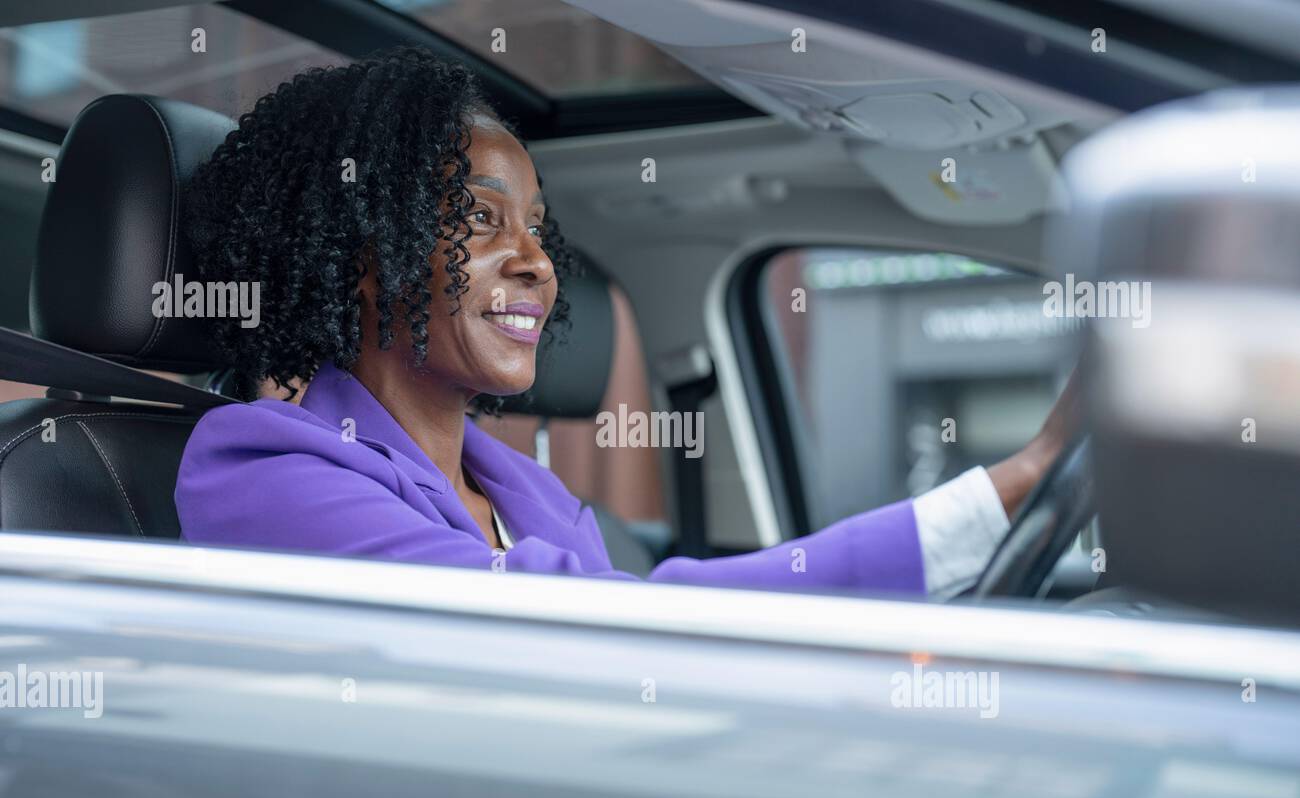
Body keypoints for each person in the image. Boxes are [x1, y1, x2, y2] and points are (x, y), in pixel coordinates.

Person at [176, 48, 1080, 596]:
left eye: (537, 227)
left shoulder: (532, 501)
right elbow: (601, 626)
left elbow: (641, 615)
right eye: (483, 219)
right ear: (364, 254)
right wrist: (1009, 486)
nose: (536, 261)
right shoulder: (268, 476)